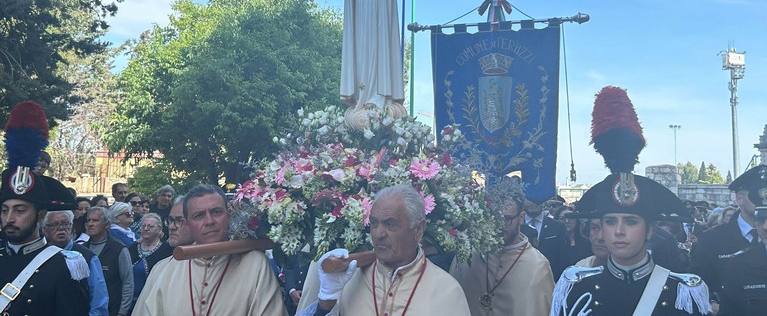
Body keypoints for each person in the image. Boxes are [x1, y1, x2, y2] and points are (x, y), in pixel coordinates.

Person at [551, 86, 712, 316]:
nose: (618, 231)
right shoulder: (575, 289)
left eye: (631, 221)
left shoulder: (682, 293)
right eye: (609, 221)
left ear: (649, 230)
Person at [298, 185, 471, 316]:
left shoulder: (447, 291)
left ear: (418, 230)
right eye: (374, 224)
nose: (379, 234)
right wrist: (325, 304)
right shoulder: (348, 280)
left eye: (390, 224)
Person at [133, 184, 286, 315]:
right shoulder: (163, 270)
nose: (209, 221)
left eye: (216, 212)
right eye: (199, 215)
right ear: (188, 223)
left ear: (228, 215)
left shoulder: (255, 265)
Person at [0, 100, 90, 316]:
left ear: (40, 215)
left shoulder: (63, 265)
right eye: (4, 210)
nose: (9, 218)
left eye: (20, 210)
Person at [451, 177, 554, 315]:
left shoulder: (538, 266)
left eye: (506, 219)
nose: (499, 225)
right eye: (494, 217)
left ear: (522, 217)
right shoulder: (469, 254)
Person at [690, 164, 766, 303]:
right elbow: (698, 284)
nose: (764, 199)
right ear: (739, 199)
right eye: (757, 194)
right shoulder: (712, 240)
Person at [42, 209, 110, 316]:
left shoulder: (86, 257)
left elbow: (99, 299)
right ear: (45, 229)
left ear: (72, 227)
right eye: (55, 224)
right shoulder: (40, 256)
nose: (61, 228)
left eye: (65, 224)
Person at [718, 200, 767, 315]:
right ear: (755, 223)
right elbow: (729, 310)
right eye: (760, 220)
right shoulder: (739, 263)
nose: (765, 227)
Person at [83, 206, 134, 316]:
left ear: (106, 224)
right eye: (88, 220)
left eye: (95, 220)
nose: (90, 224)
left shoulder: (119, 249)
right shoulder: (82, 249)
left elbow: (128, 283)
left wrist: (122, 312)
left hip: (112, 310)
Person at [128, 213, 172, 309]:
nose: (146, 228)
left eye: (150, 226)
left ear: (159, 230)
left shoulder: (167, 250)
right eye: (143, 226)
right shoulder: (133, 247)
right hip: (129, 302)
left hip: (153, 302)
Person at [524, 196, 567, 278]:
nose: (535, 201)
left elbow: (562, 259)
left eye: (538, 196)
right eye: (530, 198)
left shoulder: (557, 227)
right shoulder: (516, 226)